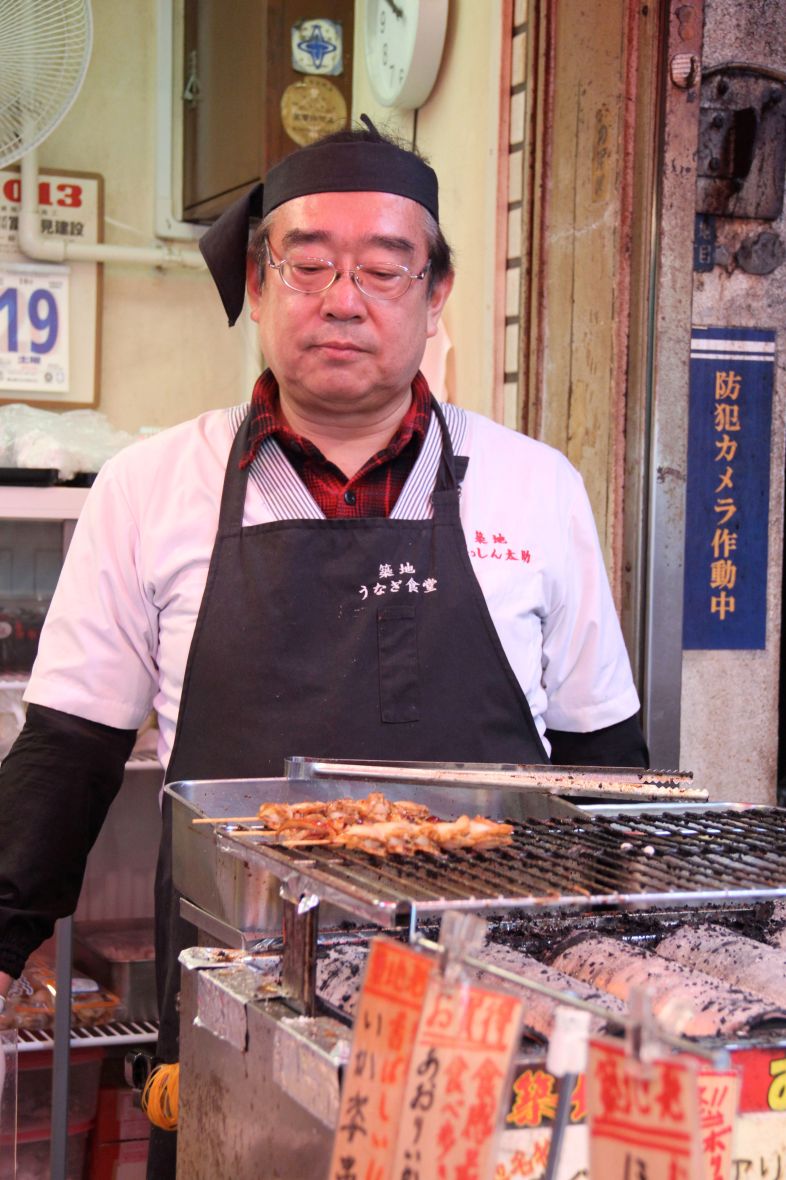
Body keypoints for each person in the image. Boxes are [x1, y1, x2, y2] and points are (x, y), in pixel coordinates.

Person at [0, 118, 646, 1177]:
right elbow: (65, 755)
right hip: (235, 1035)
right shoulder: (151, 488)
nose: (344, 299)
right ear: (258, 286)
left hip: (493, 1042)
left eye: (384, 268)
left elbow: (605, 771)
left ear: (436, 295)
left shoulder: (537, 488)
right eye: (308, 264)